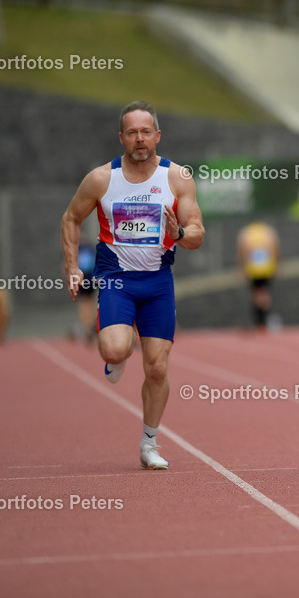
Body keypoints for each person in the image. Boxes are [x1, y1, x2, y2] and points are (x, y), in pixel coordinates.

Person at [61, 101, 204, 470]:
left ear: (157, 136)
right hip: (116, 280)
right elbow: (72, 217)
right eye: (132, 133)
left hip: (158, 283)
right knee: (114, 350)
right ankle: (117, 357)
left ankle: (149, 443)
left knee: (157, 368)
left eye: (145, 132)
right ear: (121, 137)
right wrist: (73, 266)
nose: (139, 139)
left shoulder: (178, 178)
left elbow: (197, 234)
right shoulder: (101, 179)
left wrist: (180, 233)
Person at [238, 220, 280, 332]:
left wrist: (241, 267)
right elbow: (274, 249)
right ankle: (263, 319)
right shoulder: (268, 233)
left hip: (254, 269)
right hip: (266, 268)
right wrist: (277, 265)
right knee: (264, 294)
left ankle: (260, 320)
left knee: (256, 294)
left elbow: (243, 250)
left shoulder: (247, 233)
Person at [69, 241, 98, 343]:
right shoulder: (89, 248)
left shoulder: (76, 250)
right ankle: (90, 327)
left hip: (82, 279)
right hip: (91, 279)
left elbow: (68, 267)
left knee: (84, 304)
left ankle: (87, 328)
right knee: (90, 303)